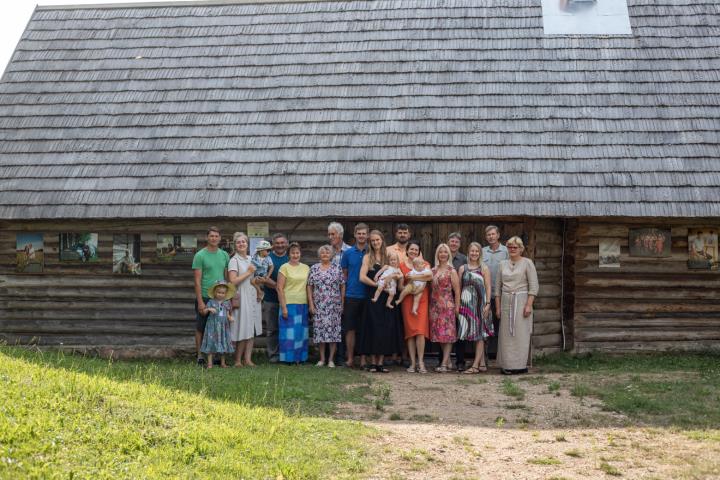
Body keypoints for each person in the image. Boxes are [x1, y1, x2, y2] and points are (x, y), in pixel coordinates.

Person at [359, 230, 403, 372]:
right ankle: (372, 363)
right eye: (373, 241)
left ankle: (381, 363)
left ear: (382, 240)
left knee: (385, 328)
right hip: (373, 296)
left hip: (387, 297)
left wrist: (392, 279)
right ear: (370, 243)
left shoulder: (388, 256)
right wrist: (377, 285)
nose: (375, 242)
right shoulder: (367, 257)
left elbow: (398, 274)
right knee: (373, 327)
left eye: (378, 240)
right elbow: (362, 277)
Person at [495, 236, 539, 375]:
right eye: (510, 247)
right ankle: (507, 365)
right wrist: (497, 307)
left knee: (521, 333)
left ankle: (520, 365)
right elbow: (497, 288)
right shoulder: (502, 264)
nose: (512, 249)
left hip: (521, 301)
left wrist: (528, 305)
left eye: (515, 247)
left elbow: (534, 286)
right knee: (506, 334)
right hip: (506, 302)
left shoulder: (527, 263)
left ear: (521, 249)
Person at [192, 226, 230, 365]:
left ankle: (217, 356)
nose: (214, 238)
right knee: (201, 327)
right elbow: (197, 281)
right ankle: (200, 356)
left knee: (218, 326)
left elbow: (226, 278)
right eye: (211, 236)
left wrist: (227, 298)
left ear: (220, 238)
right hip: (205, 296)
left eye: (216, 236)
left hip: (220, 298)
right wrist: (201, 301)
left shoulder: (224, 255)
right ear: (207, 237)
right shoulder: (200, 255)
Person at [307, 245, 345, 367]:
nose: (325, 254)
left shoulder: (337, 268)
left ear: (332, 255)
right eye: (322, 252)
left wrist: (342, 303)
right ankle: (322, 359)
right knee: (320, 332)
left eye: (327, 252)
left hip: (334, 305)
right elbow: (309, 286)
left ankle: (331, 360)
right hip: (319, 305)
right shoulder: (314, 268)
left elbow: (342, 286)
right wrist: (311, 304)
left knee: (333, 333)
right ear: (319, 255)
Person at [458, 242, 493, 374]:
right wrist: (459, 305)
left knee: (479, 334)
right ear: (468, 252)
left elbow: (488, 287)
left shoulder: (484, 268)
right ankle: (481, 363)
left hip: (480, 305)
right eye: (472, 251)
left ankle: (475, 366)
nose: (474, 253)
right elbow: (459, 287)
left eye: (476, 251)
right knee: (471, 333)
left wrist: (488, 303)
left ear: (480, 253)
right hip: (466, 305)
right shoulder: (462, 268)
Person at [228, 232, 262, 367]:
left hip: (253, 294)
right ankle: (237, 360)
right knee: (242, 327)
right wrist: (248, 273)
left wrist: (259, 290)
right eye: (238, 242)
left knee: (251, 327)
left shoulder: (251, 259)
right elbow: (232, 281)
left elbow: (254, 279)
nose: (241, 244)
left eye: (244, 242)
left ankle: (248, 359)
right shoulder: (234, 260)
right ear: (235, 245)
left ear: (247, 244)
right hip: (241, 295)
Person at [399, 240, 432, 373]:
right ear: (407, 250)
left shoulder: (425, 264)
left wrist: (413, 277)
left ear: (419, 252)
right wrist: (409, 288)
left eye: (416, 250)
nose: (413, 252)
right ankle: (412, 363)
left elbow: (430, 276)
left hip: (422, 300)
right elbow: (400, 286)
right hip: (407, 300)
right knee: (410, 333)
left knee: (420, 331)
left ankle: (421, 362)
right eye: (411, 249)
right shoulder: (402, 266)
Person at [340, 223, 369, 368]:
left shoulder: (372, 252)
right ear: (355, 235)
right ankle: (350, 359)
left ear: (367, 235)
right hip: (351, 295)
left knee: (364, 329)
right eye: (359, 233)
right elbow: (344, 277)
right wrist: (343, 297)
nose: (362, 236)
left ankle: (363, 360)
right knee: (350, 329)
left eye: (364, 233)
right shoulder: (348, 253)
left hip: (368, 295)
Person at [277, 242, 311, 364]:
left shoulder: (306, 268)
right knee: (288, 333)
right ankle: (288, 358)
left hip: (302, 303)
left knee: (300, 333)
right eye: (293, 253)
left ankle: (300, 358)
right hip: (289, 303)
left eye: (297, 253)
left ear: (300, 254)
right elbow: (279, 288)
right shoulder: (284, 267)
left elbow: (308, 286)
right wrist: (283, 307)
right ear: (289, 254)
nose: (295, 255)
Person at [430, 243, 461, 373]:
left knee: (447, 335)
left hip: (447, 305)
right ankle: (447, 361)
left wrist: (457, 307)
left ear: (448, 254)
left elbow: (457, 291)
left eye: (445, 252)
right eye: (440, 252)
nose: (443, 254)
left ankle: (443, 364)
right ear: (437, 254)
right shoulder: (433, 270)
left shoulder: (451, 271)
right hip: (435, 306)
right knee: (439, 335)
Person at [482, 225, 509, 358]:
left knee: (501, 327)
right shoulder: (482, 251)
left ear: (498, 235)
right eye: (488, 235)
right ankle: (484, 356)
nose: (491, 237)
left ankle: (501, 356)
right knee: (485, 326)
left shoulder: (506, 252)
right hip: (485, 296)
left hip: (502, 295)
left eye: (493, 234)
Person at [262, 233, 289, 363]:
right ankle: (273, 355)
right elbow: (263, 277)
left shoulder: (290, 258)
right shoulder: (267, 258)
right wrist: (278, 287)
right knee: (272, 329)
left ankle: (286, 353)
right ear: (273, 245)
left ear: (286, 244)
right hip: (270, 299)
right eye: (277, 243)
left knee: (286, 328)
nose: (280, 245)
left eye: (282, 243)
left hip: (288, 301)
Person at [199, 280, 236, 369]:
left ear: (226, 294)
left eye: (223, 293)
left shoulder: (227, 303)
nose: (220, 294)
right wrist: (208, 309)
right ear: (215, 292)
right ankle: (210, 364)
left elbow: (227, 314)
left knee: (223, 342)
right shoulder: (211, 302)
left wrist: (230, 317)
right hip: (213, 326)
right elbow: (203, 311)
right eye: (219, 292)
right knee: (211, 343)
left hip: (223, 326)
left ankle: (223, 363)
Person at [448, 231, 468, 370]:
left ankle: (460, 361)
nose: (454, 244)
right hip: (443, 298)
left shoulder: (464, 259)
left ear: (459, 244)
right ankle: (443, 360)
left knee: (460, 329)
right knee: (445, 330)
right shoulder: (442, 255)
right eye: (452, 241)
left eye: (456, 242)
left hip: (460, 297)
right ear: (448, 242)